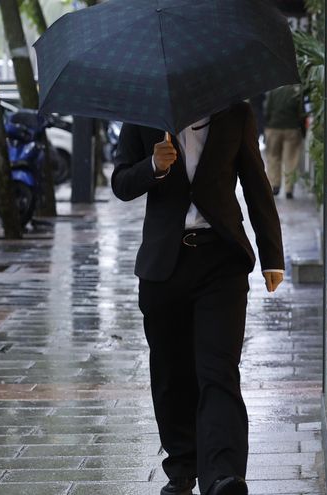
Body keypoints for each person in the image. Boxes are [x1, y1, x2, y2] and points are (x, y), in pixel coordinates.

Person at [111, 102, 285, 495]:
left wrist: (272, 255)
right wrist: (154, 166)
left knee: (218, 369)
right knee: (172, 374)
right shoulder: (144, 115)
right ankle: (182, 467)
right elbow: (121, 183)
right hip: (164, 267)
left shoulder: (235, 114)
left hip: (220, 261)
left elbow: (256, 184)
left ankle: (223, 474)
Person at [263, 84, 304, 198]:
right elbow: (301, 112)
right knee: (290, 159)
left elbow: (267, 110)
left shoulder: (273, 91)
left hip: (274, 128)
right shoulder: (296, 91)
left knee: (273, 157)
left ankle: (274, 185)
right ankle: (289, 189)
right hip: (292, 128)